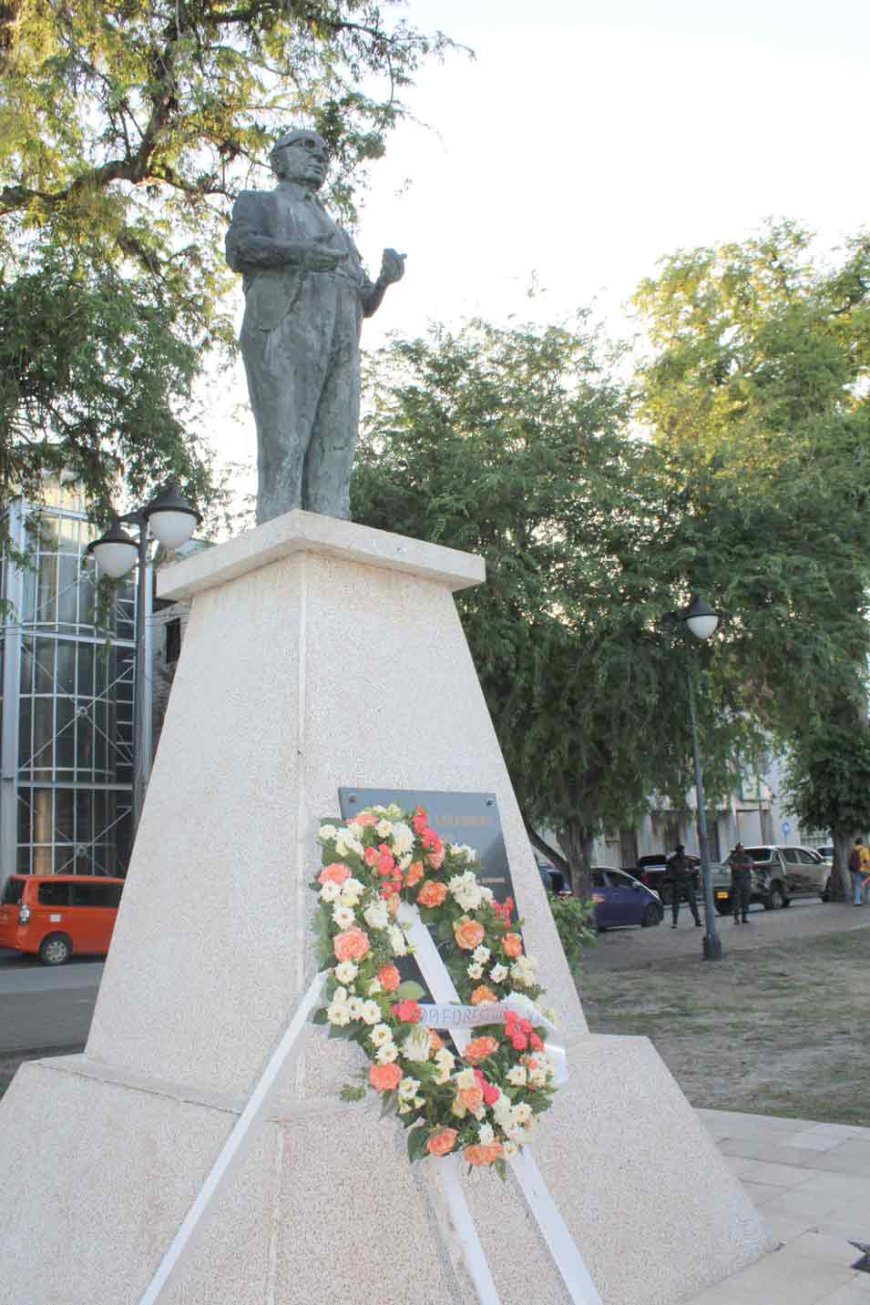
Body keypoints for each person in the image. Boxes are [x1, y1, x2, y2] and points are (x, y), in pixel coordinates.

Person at [225, 128, 405, 523]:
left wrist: (384, 282)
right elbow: (239, 249)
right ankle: (280, 536)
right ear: (278, 159)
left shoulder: (339, 230)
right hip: (285, 329)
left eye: (324, 151)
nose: (319, 155)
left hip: (342, 339)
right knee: (285, 444)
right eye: (307, 147)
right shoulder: (260, 203)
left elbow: (365, 301)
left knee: (336, 444)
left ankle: (331, 536)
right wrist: (300, 255)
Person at [667, 843, 701, 928]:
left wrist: (689, 872)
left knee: (692, 902)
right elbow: (669, 873)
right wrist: (676, 876)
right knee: (676, 903)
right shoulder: (672, 861)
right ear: (677, 852)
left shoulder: (687, 860)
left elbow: (693, 869)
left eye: (682, 851)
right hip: (678, 882)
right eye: (680, 851)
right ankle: (674, 922)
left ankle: (697, 920)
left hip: (688, 882)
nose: (681, 853)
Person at [729, 843, 753, 924]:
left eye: (742, 848)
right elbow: (733, 866)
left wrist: (739, 865)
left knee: (746, 899)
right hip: (737, 881)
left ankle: (744, 917)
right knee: (736, 900)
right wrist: (739, 866)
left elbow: (750, 865)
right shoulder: (733, 858)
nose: (741, 850)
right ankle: (736, 918)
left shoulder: (747, 857)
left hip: (746, 880)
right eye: (740, 848)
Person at [848, 837, 870, 906]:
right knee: (868, 885)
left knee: (857, 885)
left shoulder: (853, 850)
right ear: (862, 843)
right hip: (865, 870)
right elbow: (867, 861)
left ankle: (857, 901)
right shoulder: (864, 850)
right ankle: (868, 900)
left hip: (856, 870)